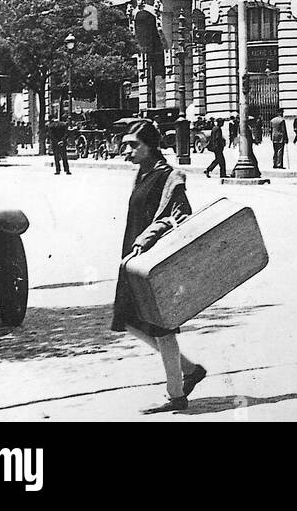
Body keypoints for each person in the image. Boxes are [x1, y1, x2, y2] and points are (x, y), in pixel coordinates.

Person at [111, 121, 206, 411]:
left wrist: (148, 237)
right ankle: (189, 370)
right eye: (126, 144)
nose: (126, 150)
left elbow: (179, 214)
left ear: (150, 146)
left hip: (154, 261)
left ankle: (176, 394)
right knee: (128, 319)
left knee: (161, 325)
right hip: (135, 259)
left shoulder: (168, 177)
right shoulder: (143, 175)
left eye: (134, 145)